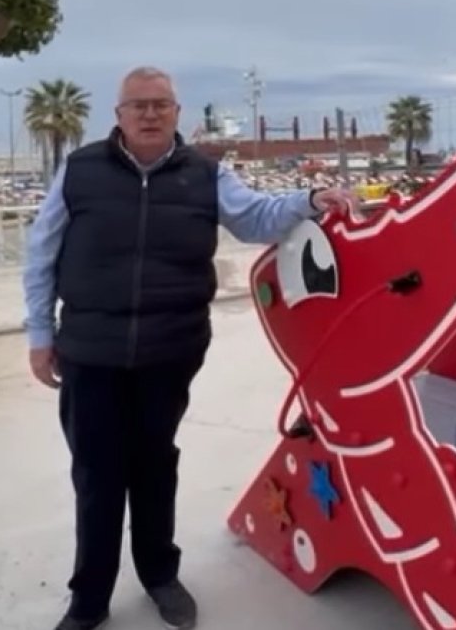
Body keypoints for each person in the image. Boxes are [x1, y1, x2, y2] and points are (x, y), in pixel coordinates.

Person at [22, 66, 355, 630]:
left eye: (160, 104)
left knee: (156, 466)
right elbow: (41, 254)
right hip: (90, 352)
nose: (149, 114)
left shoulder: (205, 174)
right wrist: (39, 335)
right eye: (138, 105)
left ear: (177, 113)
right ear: (118, 115)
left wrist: (311, 199)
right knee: (98, 475)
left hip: (169, 350)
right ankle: (90, 598)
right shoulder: (78, 173)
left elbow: (256, 219)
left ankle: (160, 575)